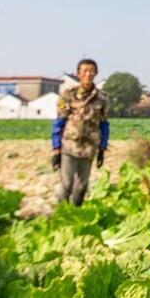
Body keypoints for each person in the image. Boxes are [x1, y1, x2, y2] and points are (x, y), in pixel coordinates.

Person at [52, 58, 109, 207]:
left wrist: (102, 148)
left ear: (96, 73)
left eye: (91, 71)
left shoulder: (101, 98)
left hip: (89, 148)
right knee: (66, 185)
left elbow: (104, 124)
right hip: (69, 146)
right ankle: (61, 215)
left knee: (81, 187)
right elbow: (59, 122)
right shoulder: (68, 94)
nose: (88, 74)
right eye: (85, 71)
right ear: (78, 74)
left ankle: (76, 215)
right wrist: (56, 148)